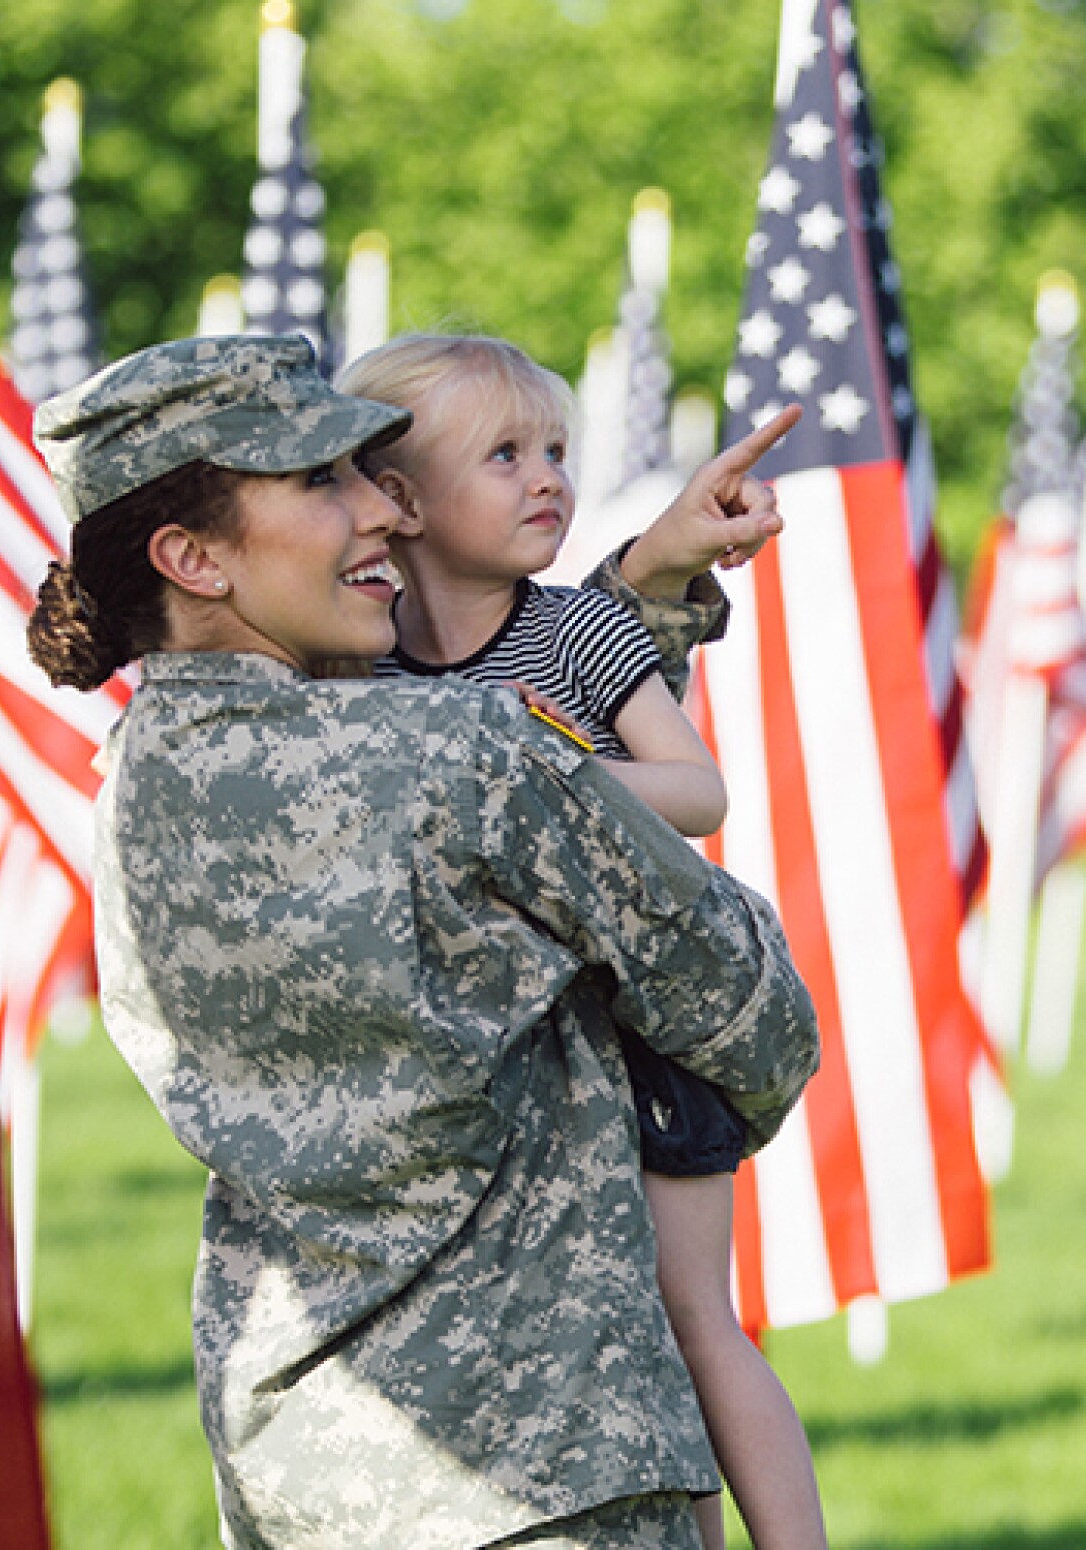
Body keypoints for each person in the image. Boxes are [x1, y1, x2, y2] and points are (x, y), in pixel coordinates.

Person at [26, 335, 817, 1550]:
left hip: (305, 1472)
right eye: (318, 483)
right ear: (191, 556)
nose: (378, 515)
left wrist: (643, 586)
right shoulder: (459, 753)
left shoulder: (129, 790)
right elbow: (754, 1009)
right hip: (551, 1468)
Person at [338, 334, 826, 1550]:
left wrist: (537, 766)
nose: (547, 476)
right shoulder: (366, 672)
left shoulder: (575, 639)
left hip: (643, 1034)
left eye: (554, 449)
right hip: (505, 1058)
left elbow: (699, 790)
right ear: (395, 500)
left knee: (688, 1317)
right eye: (503, 455)